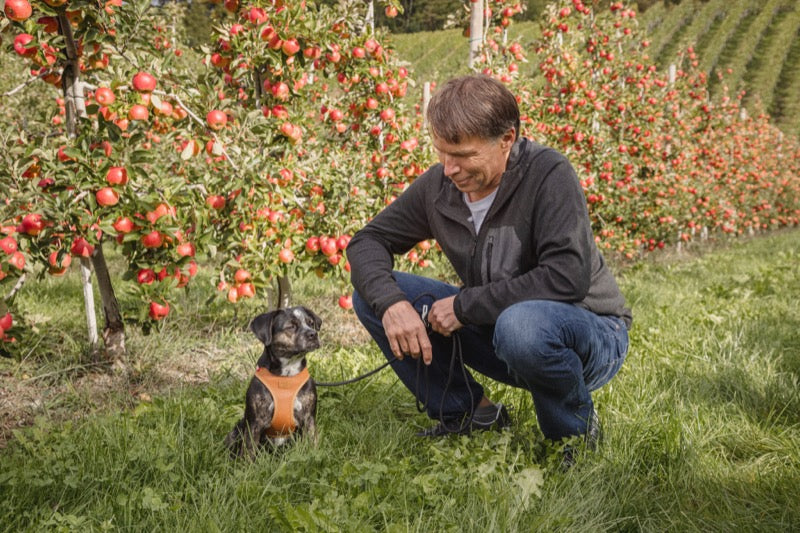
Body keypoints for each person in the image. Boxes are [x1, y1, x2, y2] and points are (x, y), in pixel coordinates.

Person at [346, 74, 631, 450]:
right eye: (442, 152)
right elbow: (368, 241)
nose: (449, 168)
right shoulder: (440, 187)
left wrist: (465, 306)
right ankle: (471, 414)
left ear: (507, 140)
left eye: (463, 155)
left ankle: (572, 436)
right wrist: (393, 304)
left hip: (588, 333)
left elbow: (566, 278)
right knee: (373, 296)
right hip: (499, 327)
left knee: (522, 325)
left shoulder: (548, 176)